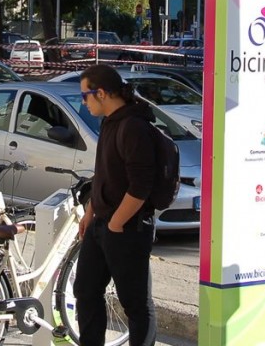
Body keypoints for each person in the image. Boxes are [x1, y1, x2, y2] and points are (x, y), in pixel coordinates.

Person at [76, 64, 157, 346]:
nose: (83, 103)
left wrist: (116, 223)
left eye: (85, 96)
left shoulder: (134, 126)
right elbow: (105, 174)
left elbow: (141, 186)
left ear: (101, 93)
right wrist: (91, 211)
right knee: (85, 291)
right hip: (102, 224)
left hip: (127, 229)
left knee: (135, 304)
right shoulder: (109, 121)